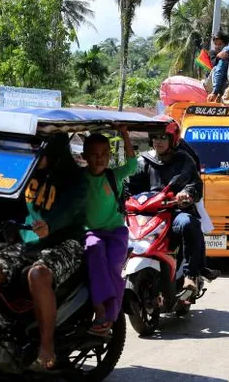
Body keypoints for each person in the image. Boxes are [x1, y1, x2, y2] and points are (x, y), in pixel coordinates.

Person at [0, 134, 87, 370]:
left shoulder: (75, 178)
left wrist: (51, 223)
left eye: (37, 147)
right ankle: (4, 329)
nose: (31, 152)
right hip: (28, 241)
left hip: (65, 241)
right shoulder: (22, 173)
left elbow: (71, 208)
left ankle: (46, 347)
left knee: (38, 275)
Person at [127, 120, 219, 291]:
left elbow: (194, 185)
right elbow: (128, 184)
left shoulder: (184, 161)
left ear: (173, 139)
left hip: (174, 212)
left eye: (163, 137)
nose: (158, 141)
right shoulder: (143, 161)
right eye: (155, 137)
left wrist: (187, 194)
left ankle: (189, 274)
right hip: (147, 215)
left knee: (188, 223)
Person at [81, 127, 136, 336]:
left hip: (116, 232)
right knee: (94, 249)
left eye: (104, 154)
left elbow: (131, 164)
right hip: (90, 233)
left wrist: (125, 134)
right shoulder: (79, 178)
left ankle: (110, 317)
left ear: (109, 156)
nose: (99, 159)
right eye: (94, 154)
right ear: (84, 156)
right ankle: (99, 308)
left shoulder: (114, 175)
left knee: (114, 265)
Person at [207, 29, 229, 102]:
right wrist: (218, 57)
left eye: (220, 44)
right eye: (215, 44)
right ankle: (217, 92)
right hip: (214, 78)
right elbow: (214, 65)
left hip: (227, 79)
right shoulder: (215, 52)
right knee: (216, 68)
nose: (217, 46)